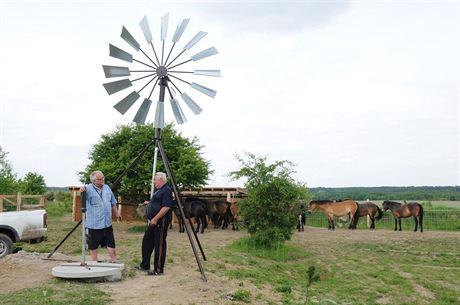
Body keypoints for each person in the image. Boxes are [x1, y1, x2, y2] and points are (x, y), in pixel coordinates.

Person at [80, 170, 122, 262]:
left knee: (111, 242)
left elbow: (113, 202)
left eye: (103, 178)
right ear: (94, 181)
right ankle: (95, 262)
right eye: (100, 179)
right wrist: (82, 191)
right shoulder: (88, 189)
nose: (103, 180)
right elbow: (83, 198)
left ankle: (114, 260)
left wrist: (117, 213)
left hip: (107, 222)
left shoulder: (107, 188)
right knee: (93, 244)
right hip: (94, 224)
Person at [136, 172, 173, 275]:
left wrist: (156, 219)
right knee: (147, 241)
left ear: (161, 179)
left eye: (155, 180)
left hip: (161, 221)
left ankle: (158, 269)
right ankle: (145, 265)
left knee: (159, 244)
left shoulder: (166, 190)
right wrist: (149, 203)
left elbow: (166, 207)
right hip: (153, 221)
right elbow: (158, 202)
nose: (154, 182)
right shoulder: (159, 191)